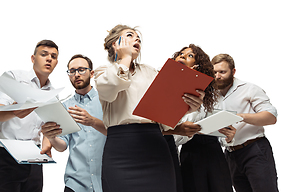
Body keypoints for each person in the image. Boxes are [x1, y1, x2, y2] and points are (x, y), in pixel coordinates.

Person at [94, 25, 204, 192]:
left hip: (155, 146)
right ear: (114, 44)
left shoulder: (152, 72)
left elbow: (165, 115)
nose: (137, 39)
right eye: (130, 35)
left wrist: (188, 107)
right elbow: (112, 87)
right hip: (121, 150)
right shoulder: (103, 72)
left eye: (138, 37)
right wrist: (124, 58)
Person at [0, 39, 59, 192]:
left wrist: (47, 140)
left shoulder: (52, 93)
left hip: (34, 157)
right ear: (33, 58)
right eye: (44, 54)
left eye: (53, 57)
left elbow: (48, 124)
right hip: (6, 156)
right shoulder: (13, 77)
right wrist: (14, 110)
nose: (49, 59)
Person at [172, 45, 234, 192]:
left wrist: (228, 138)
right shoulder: (168, 90)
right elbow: (173, 138)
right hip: (190, 153)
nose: (182, 56)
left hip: (214, 154)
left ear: (198, 65)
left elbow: (219, 129)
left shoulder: (211, 95)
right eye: (181, 54)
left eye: (190, 55)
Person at [211, 54, 278, 192]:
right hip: (230, 154)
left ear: (233, 71)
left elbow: (271, 117)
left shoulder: (249, 89)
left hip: (255, 150)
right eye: (214, 72)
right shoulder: (211, 95)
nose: (217, 76)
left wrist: (241, 117)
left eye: (222, 72)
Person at [41, 54, 107, 192]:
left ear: (92, 73)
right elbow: (62, 146)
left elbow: (117, 134)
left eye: (82, 69)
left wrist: (93, 122)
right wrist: (52, 137)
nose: (77, 74)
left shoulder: (107, 102)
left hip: (107, 182)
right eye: (72, 71)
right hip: (76, 184)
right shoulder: (64, 107)